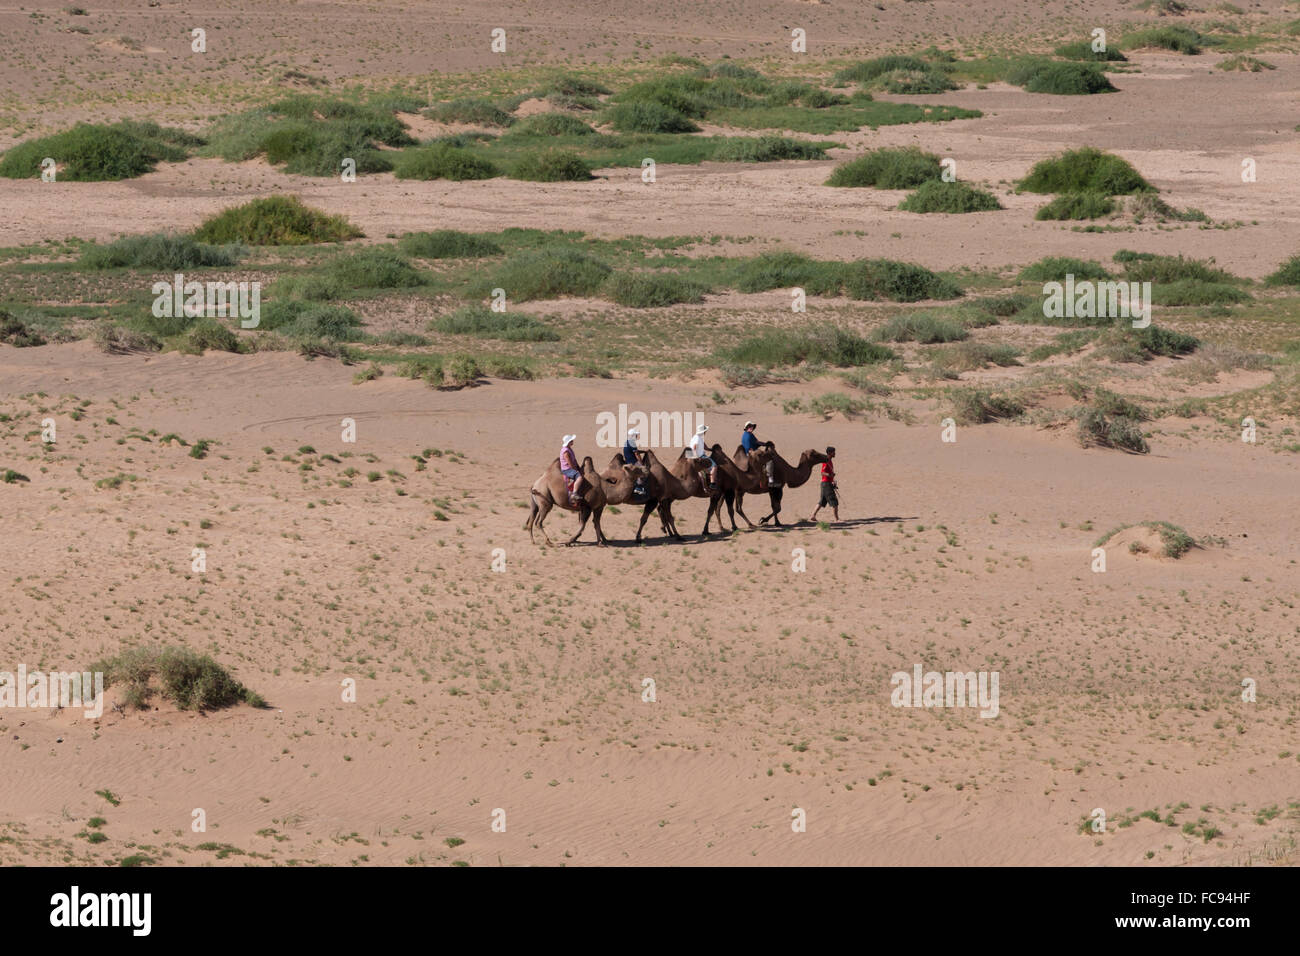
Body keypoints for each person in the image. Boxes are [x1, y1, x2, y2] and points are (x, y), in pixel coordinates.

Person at [807, 446, 838, 523]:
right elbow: (822, 472)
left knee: (822, 501)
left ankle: (813, 516)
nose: (835, 453)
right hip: (826, 484)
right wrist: (830, 475)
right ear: (830, 453)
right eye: (834, 452)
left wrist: (832, 480)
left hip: (827, 483)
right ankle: (837, 519)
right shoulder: (826, 461)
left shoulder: (829, 461)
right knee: (834, 502)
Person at [687, 423, 718, 493]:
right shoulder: (698, 439)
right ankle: (712, 483)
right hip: (699, 456)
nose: (705, 432)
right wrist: (696, 457)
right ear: (703, 432)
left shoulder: (696, 437)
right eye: (705, 431)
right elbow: (694, 447)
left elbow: (704, 445)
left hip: (691, 455)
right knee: (714, 466)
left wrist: (710, 449)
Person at [559, 435, 584, 504]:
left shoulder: (569, 449)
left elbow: (574, 460)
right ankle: (574, 494)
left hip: (571, 468)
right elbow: (569, 462)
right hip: (567, 469)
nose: (573, 441)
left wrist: (579, 467)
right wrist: (575, 470)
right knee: (580, 478)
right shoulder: (566, 451)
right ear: (568, 442)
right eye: (571, 440)